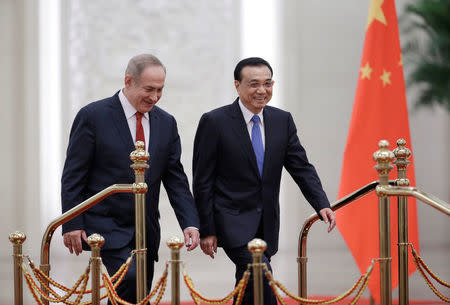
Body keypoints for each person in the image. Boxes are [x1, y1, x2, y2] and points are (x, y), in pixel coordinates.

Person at [193, 57, 336, 305]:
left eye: (267, 83)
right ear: (237, 85)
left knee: (249, 284)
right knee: (259, 272)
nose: (262, 90)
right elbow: (202, 180)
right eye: (254, 84)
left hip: (266, 221)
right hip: (231, 219)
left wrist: (321, 203)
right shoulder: (215, 121)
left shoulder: (282, 120)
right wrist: (207, 229)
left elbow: (301, 167)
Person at [61, 54, 200, 303]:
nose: (155, 97)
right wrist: (72, 222)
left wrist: (190, 222)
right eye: (149, 89)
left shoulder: (166, 123)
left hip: (145, 229)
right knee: (129, 280)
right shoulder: (93, 116)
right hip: (105, 225)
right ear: (128, 81)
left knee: (139, 293)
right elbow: (74, 174)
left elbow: (175, 178)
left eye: (160, 90)